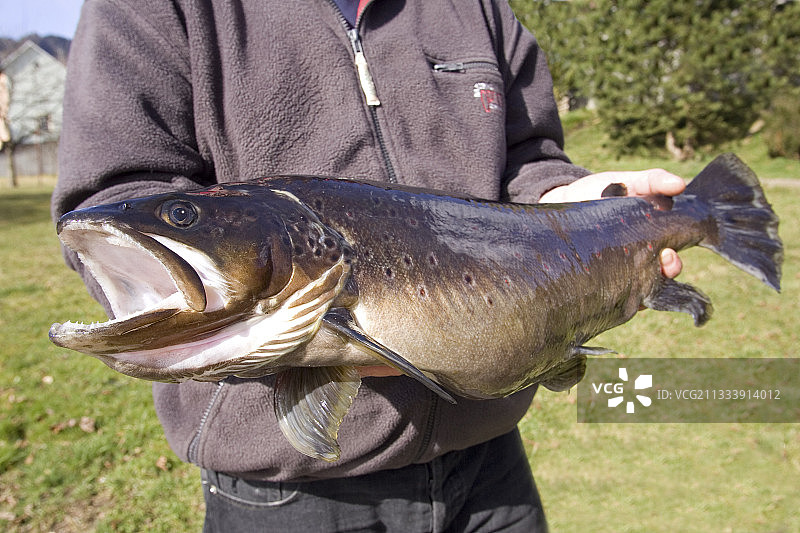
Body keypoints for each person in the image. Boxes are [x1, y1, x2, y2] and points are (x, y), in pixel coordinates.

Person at [52, 0, 684, 530]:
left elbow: (528, 158)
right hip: (289, 498)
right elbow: (111, 202)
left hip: (490, 465)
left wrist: (566, 205)